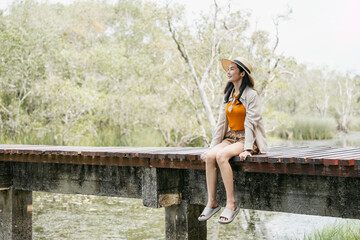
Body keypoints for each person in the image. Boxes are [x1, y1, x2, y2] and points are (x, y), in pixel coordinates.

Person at [198, 57, 267, 224]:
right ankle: (212, 202)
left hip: (246, 138)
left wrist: (248, 149)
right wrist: (211, 147)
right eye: (228, 69)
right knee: (210, 156)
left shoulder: (251, 95)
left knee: (222, 156)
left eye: (232, 69)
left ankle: (231, 204)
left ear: (242, 73)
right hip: (231, 137)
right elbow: (222, 124)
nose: (228, 72)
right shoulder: (229, 95)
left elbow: (251, 122)